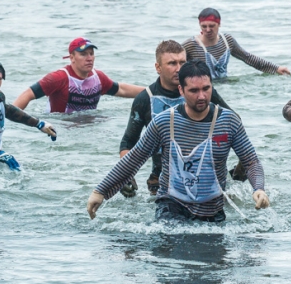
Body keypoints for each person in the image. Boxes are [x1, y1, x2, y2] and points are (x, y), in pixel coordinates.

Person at [87, 61, 270, 223]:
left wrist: (258, 188)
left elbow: (250, 160)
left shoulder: (229, 121)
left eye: (206, 89)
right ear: (181, 90)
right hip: (171, 206)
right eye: (193, 90)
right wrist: (100, 192)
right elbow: (135, 158)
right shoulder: (164, 122)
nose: (201, 96)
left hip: (212, 208)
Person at [118, 40, 231, 196]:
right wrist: (126, 174)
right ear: (158, 67)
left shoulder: (202, 93)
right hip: (161, 180)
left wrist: (243, 163)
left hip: (207, 176)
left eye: (182, 62)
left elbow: (232, 123)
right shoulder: (145, 99)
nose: (179, 69)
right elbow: (128, 143)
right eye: (172, 63)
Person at [12, 37, 143, 113]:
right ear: (72, 57)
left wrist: (154, 92)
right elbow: (28, 94)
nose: (89, 58)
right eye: (83, 54)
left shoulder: (98, 78)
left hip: (88, 127)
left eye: (91, 53)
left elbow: (121, 89)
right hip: (61, 127)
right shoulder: (59, 78)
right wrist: (10, 118)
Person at [182, 8, 290, 79]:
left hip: (225, 85)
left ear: (219, 25)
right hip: (201, 89)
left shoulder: (227, 41)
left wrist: (275, 68)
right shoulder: (191, 45)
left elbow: (247, 58)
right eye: (204, 26)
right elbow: (176, 66)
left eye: (212, 26)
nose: (208, 30)